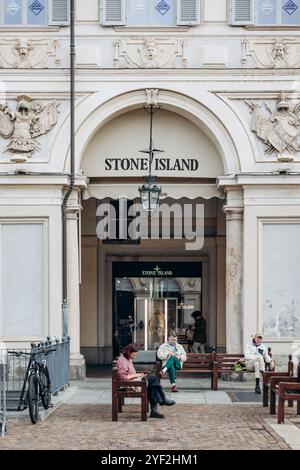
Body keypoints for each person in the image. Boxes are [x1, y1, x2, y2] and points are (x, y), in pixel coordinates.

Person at [116, 343, 175, 418]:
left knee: (152, 384)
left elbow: (129, 374)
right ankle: (162, 400)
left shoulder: (127, 358)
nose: (135, 356)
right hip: (131, 384)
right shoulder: (123, 361)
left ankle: (155, 410)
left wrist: (139, 375)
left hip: (135, 381)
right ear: (128, 352)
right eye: (133, 354)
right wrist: (137, 375)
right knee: (153, 378)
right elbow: (124, 377)